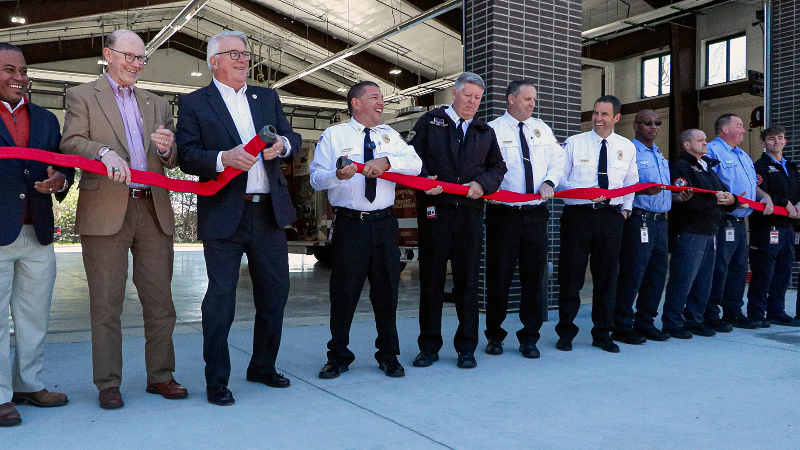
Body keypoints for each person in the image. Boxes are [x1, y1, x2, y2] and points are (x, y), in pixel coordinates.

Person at [60, 30, 186, 410]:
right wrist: (101, 152)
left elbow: (173, 156)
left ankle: (161, 376)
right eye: (129, 57)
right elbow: (70, 142)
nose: (135, 64)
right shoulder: (82, 95)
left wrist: (168, 150)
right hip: (104, 210)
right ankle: (108, 383)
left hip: (153, 209)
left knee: (161, 302)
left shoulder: (158, 104)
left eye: (141, 58)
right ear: (108, 55)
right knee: (106, 304)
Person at [176, 30, 300, 406]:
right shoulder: (196, 102)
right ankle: (216, 379)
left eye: (246, 54)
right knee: (220, 300)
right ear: (214, 61)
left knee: (275, 296)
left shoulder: (267, 97)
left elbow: (290, 136)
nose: (243, 59)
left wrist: (283, 144)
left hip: (268, 214)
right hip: (224, 212)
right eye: (234, 54)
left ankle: (262, 366)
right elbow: (186, 155)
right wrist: (222, 159)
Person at [309, 81, 422, 379]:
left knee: (387, 292)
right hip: (350, 224)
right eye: (374, 97)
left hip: (385, 223)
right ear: (356, 103)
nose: (381, 103)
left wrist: (387, 161)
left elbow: (415, 164)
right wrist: (336, 174)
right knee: (344, 293)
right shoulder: (334, 135)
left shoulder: (389, 136)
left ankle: (388, 354)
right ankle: (338, 356)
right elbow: (316, 178)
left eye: (382, 98)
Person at [408, 72, 506, 369]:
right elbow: (409, 158)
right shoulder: (430, 122)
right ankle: (429, 346)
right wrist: (424, 180)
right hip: (435, 211)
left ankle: (466, 347)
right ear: (455, 94)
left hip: (470, 214)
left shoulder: (484, 131)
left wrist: (482, 184)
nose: (472, 103)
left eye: (477, 98)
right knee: (432, 281)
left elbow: (498, 167)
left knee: (467, 283)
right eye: (468, 96)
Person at [0, 43, 74, 427]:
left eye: (23, 70)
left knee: (33, 315)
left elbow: (64, 166)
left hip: (38, 229)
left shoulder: (46, 119)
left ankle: (29, 384)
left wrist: (61, 180)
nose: (19, 77)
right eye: (9, 69)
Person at [484, 80, 564, 359]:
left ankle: (530, 336)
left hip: (535, 214)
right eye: (527, 99)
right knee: (499, 277)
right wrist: (487, 190)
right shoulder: (492, 130)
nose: (532, 103)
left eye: (534, 99)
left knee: (534, 277)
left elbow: (559, 160)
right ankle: (494, 335)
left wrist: (550, 181)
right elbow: (484, 168)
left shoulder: (542, 129)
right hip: (502, 215)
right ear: (510, 99)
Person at [555, 95, 638, 354]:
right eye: (595, 113)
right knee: (571, 278)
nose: (598, 119)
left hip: (611, 218)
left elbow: (631, 183)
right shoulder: (574, 144)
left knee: (607, 279)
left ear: (616, 118)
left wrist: (625, 211)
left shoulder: (627, 147)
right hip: (578, 217)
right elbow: (559, 178)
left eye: (604, 114)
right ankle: (566, 333)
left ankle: (603, 333)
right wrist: (583, 192)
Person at [662, 129, 738, 338]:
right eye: (700, 140)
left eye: (705, 139)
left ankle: (695, 320)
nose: (705, 143)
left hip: (710, 230)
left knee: (704, 279)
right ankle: (673, 322)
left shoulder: (706, 167)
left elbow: (724, 191)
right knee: (684, 278)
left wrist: (733, 201)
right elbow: (684, 199)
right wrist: (716, 199)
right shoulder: (681, 167)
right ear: (687, 145)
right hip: (690, 231)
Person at [704, 114, 773, 330]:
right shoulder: (713, 151)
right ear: (725, 129)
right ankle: (711, 313)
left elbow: (751, 185)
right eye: (739, 125)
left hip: (741, 221)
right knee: (719, 267)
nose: (744, 130)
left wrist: (763, 196)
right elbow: (708, 184)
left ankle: (733, 311)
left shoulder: (742, 154)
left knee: (739, 268)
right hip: (723, 219)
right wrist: (729, 200)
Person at [611, 109, 672, 344]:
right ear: (636, 126)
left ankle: (645, 321)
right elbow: (623, 184)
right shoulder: (630, 152)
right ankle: (622, 324)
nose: (654, 126)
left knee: (657, 275)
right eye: (648, 123)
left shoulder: (658, 153)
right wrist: (644, 189)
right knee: (633, 273)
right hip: (640, 219)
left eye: (657, 122)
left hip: (660, 221)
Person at [747, 126, 800, 326]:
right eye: (771, 139)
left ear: (785, 141)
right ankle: (756, 312)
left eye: (780, 138)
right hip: (766, 226)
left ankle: (776, 311)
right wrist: (783, 201)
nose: (776, 142)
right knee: (763, 271)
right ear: (763, 143)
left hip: (787, 227)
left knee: (783, 271)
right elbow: (758, 190)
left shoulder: (791, 167)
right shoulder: (759, 166)